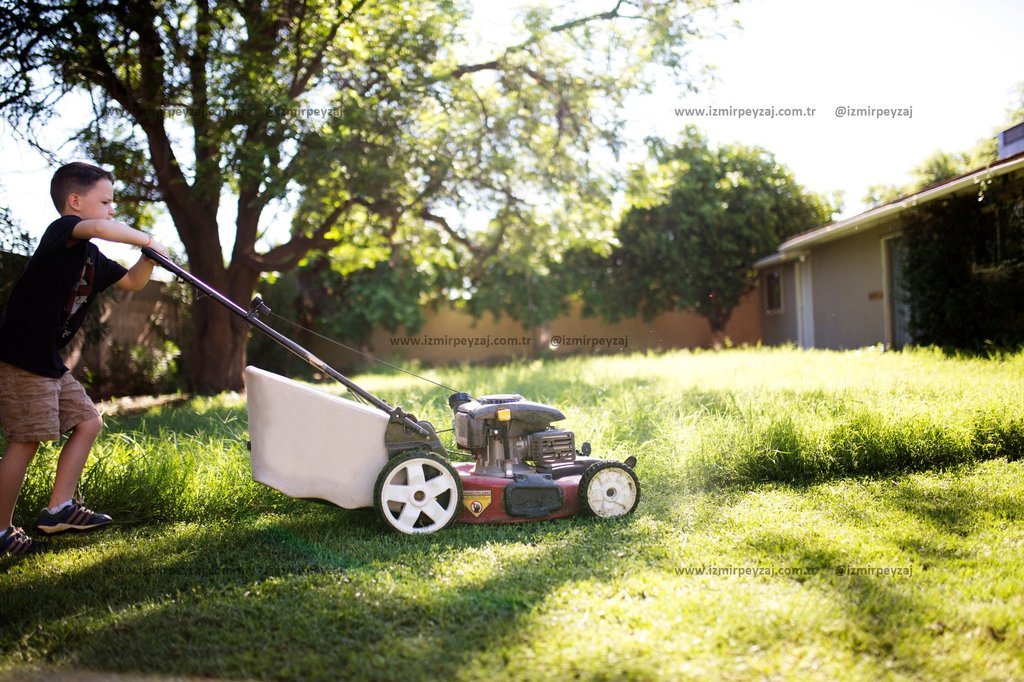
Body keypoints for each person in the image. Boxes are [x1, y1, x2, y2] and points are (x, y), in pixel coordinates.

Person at [0, 161, 169, 556]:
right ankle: (1, 531)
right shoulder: (63, 232)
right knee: (24, 441)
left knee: (89, 421)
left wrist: (150, 258)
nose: (112, 210)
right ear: (75, 201)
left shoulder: (91, 257)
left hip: (47, 359)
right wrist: (147, 238)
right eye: (106, 201)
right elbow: (96, 227)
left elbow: (131, 282)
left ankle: (59, 509)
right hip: (22, 353)